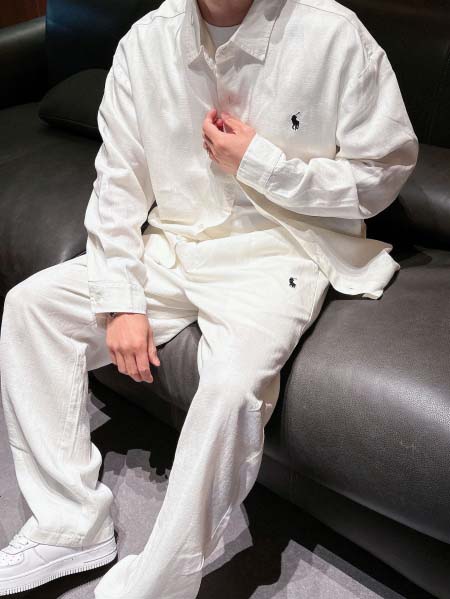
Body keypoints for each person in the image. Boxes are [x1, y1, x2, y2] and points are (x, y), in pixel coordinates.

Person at [0, 0, 418, 596]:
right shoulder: (145, 43)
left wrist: (263, 164)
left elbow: (382, 173)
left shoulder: (331, 33)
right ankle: (70, 522)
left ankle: (161, 582)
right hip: (176, 239)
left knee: (230, 386)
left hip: (281, 250)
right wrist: (122, 299)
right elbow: (118, 184)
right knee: (33, 309)